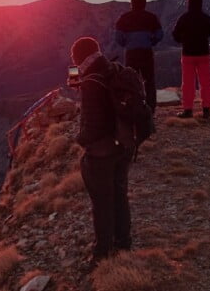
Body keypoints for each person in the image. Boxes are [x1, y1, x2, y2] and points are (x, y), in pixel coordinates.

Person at [70, 36, 132, 265]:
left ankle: (102, 252)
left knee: (102, 202)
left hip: (101, 152)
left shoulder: (90, 83)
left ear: (80, 58)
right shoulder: (112, 69)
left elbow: (92, 125)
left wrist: (80, 140)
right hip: (123, 145)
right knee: (119, 194)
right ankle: (123, 242)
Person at [114, 0, 164, 112]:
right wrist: (152, 42)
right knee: (149, 81)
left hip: (131, 53)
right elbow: (160, 34)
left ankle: (133, 107)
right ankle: (151, 109)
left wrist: (126, 44)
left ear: (132, 1)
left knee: (131, 81)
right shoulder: (151, 17)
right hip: (146, 52)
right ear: (144, 2)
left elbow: (118, 37)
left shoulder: (124, 18)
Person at [171, 0, 210, 118]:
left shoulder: (184, 18)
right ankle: (206, 109)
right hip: (203, 53)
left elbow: (175, 34)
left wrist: (183, 40)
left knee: (188, 83)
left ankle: (188, 109)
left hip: (188, 53)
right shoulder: (206, 18)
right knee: (206, 82)